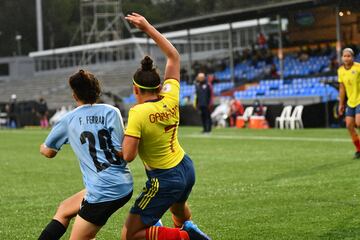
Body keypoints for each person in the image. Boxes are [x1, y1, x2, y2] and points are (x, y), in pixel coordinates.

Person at [121, 12, 211, 240]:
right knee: (179, 212)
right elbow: (173, 56)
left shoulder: (137, 113)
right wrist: (147, 27)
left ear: (135, 89)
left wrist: (115, 146)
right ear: (160, 86)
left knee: (130, 235)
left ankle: (185, 238)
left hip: (164, 178)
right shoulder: (170, 96)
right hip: (185, 167)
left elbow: (128, 155)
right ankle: (187, 228)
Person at [38, 70, 133, 240]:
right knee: (64, 210)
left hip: (103, 191)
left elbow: (48, 152)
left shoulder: (68, 120)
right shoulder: (112, 112)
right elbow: (121, 151)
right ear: (97, 91)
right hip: (122, 184)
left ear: (74, 95)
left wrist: (43, 147)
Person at [338, 48, 360, 159]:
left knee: (359, 122)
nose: (346, 58)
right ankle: (359, 149)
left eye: (349, 56)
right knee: (349, 125)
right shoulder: (340, 71)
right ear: (342, 57)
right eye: (344, 56)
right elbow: (342, 89)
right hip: (350, 102)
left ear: (353, 57)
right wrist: (341, 104)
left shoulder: (358, 67)